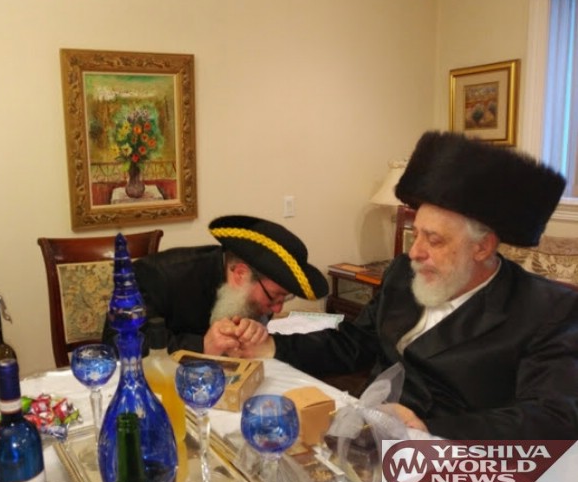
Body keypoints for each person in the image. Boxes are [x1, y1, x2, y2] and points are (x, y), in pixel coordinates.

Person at [232, 131, 578, 440]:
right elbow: (355, 342)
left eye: (434, 240)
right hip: (365, 436)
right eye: (416, 234)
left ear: (482, 247)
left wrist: (425, 428)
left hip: (451, 457)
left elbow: (552, 417)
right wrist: (271, 346)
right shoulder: (403, 273)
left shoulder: (547, 309)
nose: (415, 252)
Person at [102, 215, 329, 355]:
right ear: (240, 274)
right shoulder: (157, 274)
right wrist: (201, 345)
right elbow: (116, 344)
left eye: (285, 298)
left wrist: (254, 333)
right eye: (274, 297)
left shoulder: (259, 293)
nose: (278, 308)